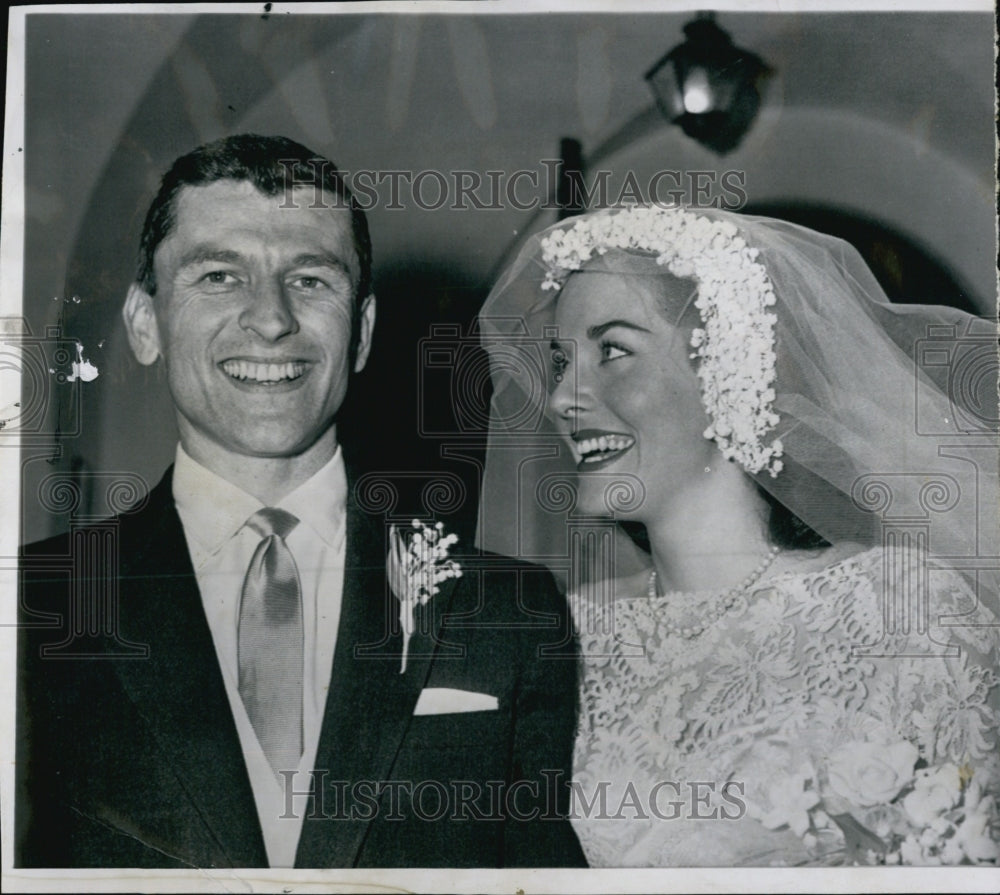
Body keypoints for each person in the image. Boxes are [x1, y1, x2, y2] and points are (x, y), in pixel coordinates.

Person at [16, 134, 586, 869]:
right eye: (219, 275)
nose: (273, 318)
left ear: (365, 331)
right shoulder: (33, 603)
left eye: (311, 279)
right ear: (145, 324)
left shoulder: (506, 610)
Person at [477, 204, 1000, 866]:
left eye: (613, 350)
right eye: (561, 359)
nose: (561, 398)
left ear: (727, 369)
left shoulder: (902, 612)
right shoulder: (562, 634)